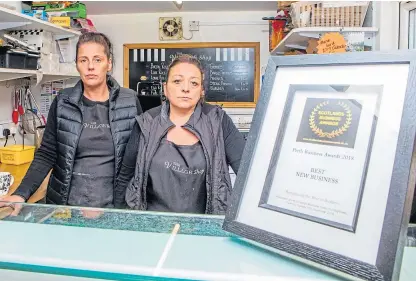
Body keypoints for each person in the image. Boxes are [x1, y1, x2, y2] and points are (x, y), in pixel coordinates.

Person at [0, 32, 142, 215]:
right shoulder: (63, 101)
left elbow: (139, 156)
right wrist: (21, 193)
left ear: (109, 63)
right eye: (83, 60)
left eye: (97, 59)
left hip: (116, 207)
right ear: (77, 65)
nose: (90, 66)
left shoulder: (129, 100)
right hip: (68, 206)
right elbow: (46, 153)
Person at [116, 54, 245, 215]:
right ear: (165, 88)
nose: (186, 88)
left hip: (204, 229)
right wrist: (118, 222)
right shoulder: (147, 123)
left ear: (202, 91)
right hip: (152, 227)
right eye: (177, 81)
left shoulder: (218, 121)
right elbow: (124, 178)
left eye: (194, 83)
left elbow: (247, 174)